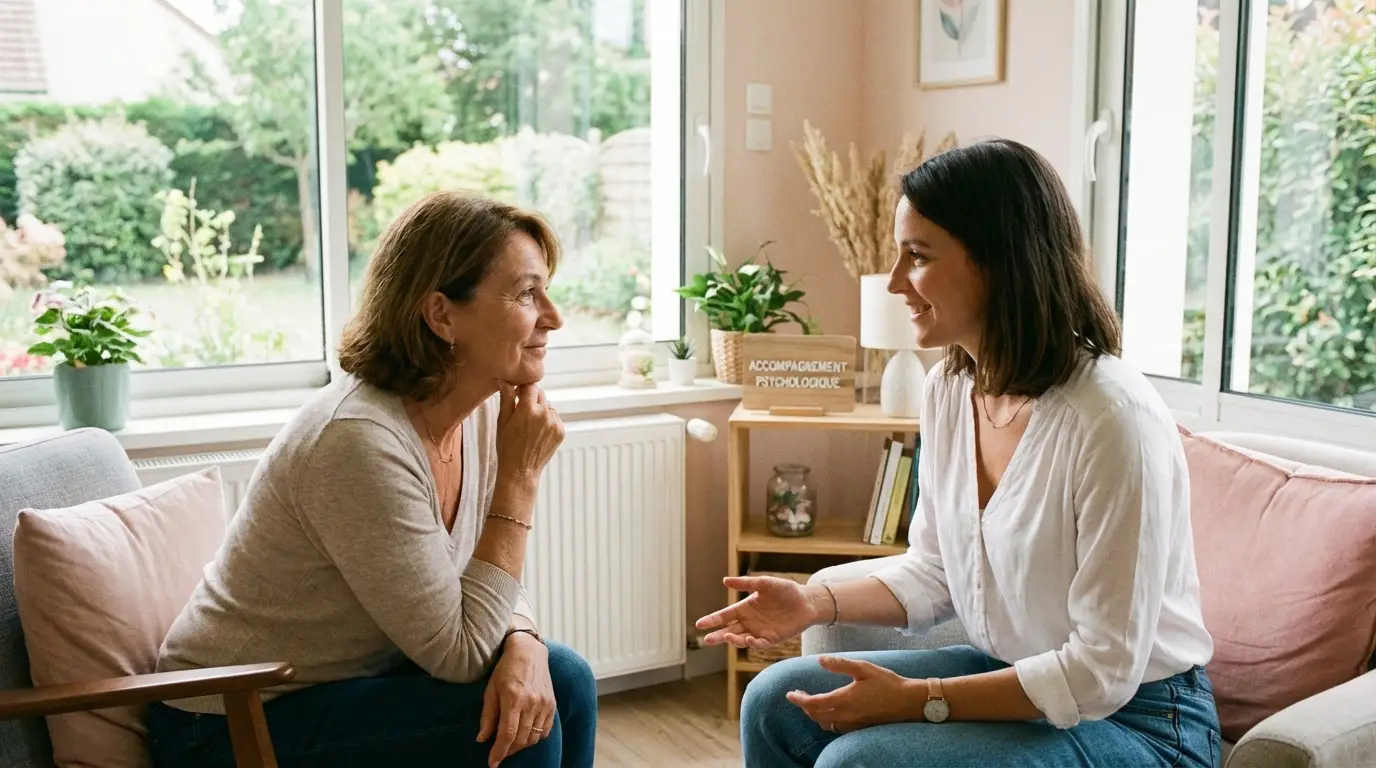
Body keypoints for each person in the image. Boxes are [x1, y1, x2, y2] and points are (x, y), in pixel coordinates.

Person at [697, 138, 1221, 767]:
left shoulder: (1111, 419)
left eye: (916, 257)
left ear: (999, 262)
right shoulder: (950, 387)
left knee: (857, 762)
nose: (894, 282)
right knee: (772, 700)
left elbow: (1101, 672)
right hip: (1017, 673)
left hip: (1143, 721)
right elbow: (937, 569)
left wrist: (920, 698)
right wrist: (812, 601)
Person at [148, 191, 597, 768]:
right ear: (441, 315)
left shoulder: (483, 409)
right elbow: (458, 653)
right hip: (224, 721)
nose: (553, 318)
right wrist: (521, 479)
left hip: (345, 685)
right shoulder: (358, 441)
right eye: (526, 294)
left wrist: (525, 640)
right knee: (508, 726)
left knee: (566, 681)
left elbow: (486, 572)